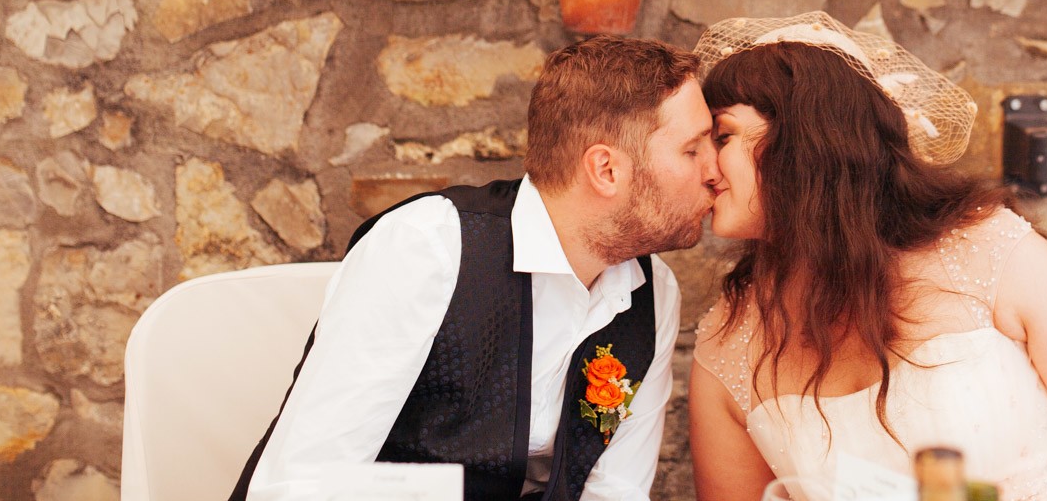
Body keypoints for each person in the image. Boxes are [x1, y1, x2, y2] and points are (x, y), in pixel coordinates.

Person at [688, 15, 1047, 501]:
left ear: (809, 140)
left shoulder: (984, 252)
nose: (705, 167)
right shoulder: (725, 346)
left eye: (724, 135)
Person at [232, 35, 723, 501]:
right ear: (606, 170)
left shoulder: (653, 291)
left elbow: (612, 491)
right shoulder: (428, 248)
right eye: (692, 149)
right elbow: (305, 482)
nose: (714, 171)